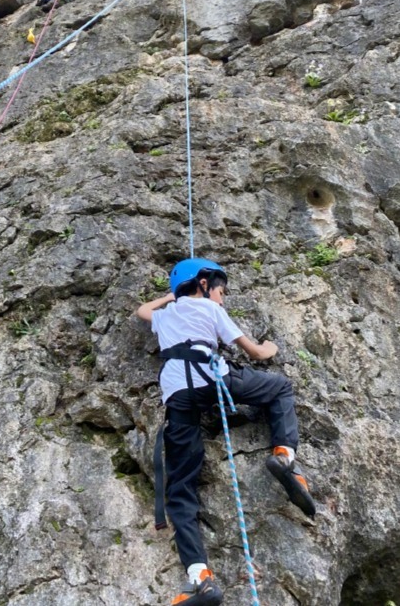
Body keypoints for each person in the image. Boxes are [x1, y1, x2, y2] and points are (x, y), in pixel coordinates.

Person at [135, 258, 315, 606]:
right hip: (212, 378)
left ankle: (201, 579)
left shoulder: (165, 315)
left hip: (178, 396)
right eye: (220, 289)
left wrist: (172, 297)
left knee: (181, 488)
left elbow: (143, 309)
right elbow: (257, 353)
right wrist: (271, 347)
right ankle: (284, 457)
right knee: (279, 388)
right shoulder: (209, 309)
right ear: (203, 283)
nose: (222, 297)